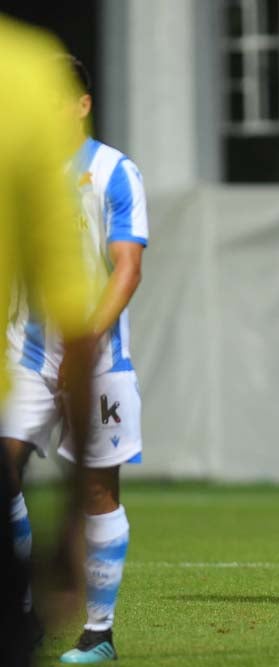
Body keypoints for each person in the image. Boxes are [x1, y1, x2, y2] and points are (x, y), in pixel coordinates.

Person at [3, 53, 149, 663]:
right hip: (24, 354)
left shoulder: (115, 171)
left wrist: (86, 337)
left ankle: (98, 632)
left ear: (82, 105)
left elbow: (128, 268)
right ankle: (23, 608)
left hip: (98, 358)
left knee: (95, 494)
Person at [0, 19, 98, 666]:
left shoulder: (111, 172)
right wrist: (70, 525)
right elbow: (75, 311)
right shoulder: (26, 74)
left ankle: (103, 633)